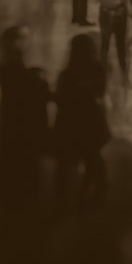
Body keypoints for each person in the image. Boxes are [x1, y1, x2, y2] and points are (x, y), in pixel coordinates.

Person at [0, 27, 50, 213]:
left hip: (12, 115)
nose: (28, 41)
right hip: (17, 117)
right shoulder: (10, 62)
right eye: (24, 38)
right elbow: (19, 88)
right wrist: (37, 81)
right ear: (14, 41)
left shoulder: (10, 58)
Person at [52, 32, 110, 208]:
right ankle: (92, 195)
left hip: (69, 124)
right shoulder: (97, 70)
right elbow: (100, 93)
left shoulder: (67, 74)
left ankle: (62, 199)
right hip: (91, 123)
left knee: (66, 162)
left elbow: (60, 98)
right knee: (92, 158)